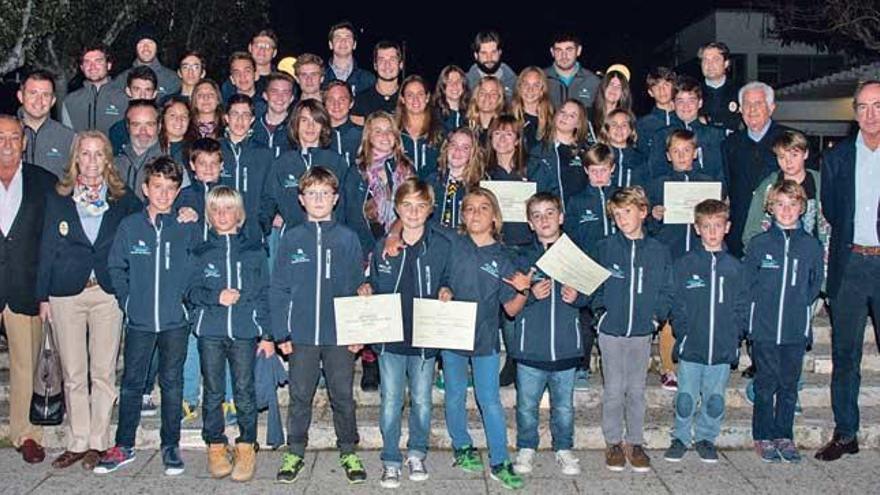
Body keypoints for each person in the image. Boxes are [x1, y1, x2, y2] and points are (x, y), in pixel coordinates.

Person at [35, 130, 141, 470]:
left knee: (103, 370)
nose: (92, 161)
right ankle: (77, 440)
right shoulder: (59, 196)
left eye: (99, 154)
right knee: (74, 372)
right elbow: (47, 247)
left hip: (106, 293)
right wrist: (42, 296)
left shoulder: (123, 199)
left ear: (108, 159)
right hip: (65, 292)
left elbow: (145, 224)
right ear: (75, 158)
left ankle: (99, 441)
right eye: (86, 153)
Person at [98, 157, 198, 475]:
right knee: (132, 383)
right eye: (158, 187)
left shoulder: (186, 227)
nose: (164, 194)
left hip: (175, 322)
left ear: (178, 192)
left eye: (171, 188)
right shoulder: (130, 226)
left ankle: (170, 446)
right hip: (140, 320)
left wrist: (188, 305)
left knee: (171, 383)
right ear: (145, 189)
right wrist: (128, 302)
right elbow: (116, 266)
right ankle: (123, 445)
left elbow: (198, 270)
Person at [269, 166, 367, 484]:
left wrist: (358, 333)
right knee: (300, 395)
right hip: (301, 336)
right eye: (312, 193)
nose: (319, 199)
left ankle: (349, 449)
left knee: (342, 395)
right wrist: (280, 333)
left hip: (339, 334)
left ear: (336, 199)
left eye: (325, 193)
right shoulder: (291, 239)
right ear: (301, 199)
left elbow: (358, 289)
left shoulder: (348, 239)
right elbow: (280, 288)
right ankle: (295, 449)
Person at [359, 178, 449, 488]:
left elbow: (448, 278)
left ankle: (417, 452)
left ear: (430, 209)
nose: (413, 212)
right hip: (390, 339)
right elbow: (374, 281)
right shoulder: (383, 245)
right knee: (390, 400)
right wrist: (367, 288)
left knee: (422, 399)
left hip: (425, 337)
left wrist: (447, 289)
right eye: (407, 206)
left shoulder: (440, 244)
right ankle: (390, 459)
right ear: (397, 208)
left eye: (420, 206)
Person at [439, 188, 530, 491]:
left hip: (485, 340)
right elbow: (441, 279)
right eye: (470, 208)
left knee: (489, 400)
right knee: (454, 394)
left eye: (483, 208)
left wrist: (522, 290)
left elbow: (512, 310)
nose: (476, 213)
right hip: (452, 335)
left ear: (495, 216)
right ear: (462, 215)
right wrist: (444, 290)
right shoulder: (453, 244)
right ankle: (461, 446)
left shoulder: (503, 257)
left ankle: (500, 460)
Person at [188, 186, 271, 482]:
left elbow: (264, 292)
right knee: (212, 391)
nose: (222, 215)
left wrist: (268, 335)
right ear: (209, 216)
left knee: (245, 391)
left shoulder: (254, 250)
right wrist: (215, 297)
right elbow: (190, 291)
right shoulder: (199, 251)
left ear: (239, 214)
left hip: (245, 331)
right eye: (216, 210)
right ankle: (215, 445)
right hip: (210, 330)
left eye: (228, 209)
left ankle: (247, 446)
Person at [815, 80, 880, 462]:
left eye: (878, 106)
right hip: (851, 264)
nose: (871, 114)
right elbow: (833, 211)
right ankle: (845, 432)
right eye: (864, 107)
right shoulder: (837, 159)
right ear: (854, 112)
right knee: (846, 354)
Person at [592, 186, 674, 473]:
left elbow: (666, 290)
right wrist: (600, 315)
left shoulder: (658, 251)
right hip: (611, 331)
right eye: (616, 214)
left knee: (637, 389)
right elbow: (595, 287)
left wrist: (654, 319)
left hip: (641, 330)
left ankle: (635, 442)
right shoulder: (605, 247)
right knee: (614, 388)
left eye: (627, 211)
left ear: (642, 211)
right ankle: (613, 441)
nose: (622, 218)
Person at [744, 180, 823, 463]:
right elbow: (748, 284)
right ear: (770, 208)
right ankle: (763, 435)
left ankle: (784, 435)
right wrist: (752, 321)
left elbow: (816, 284)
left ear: (802, 207)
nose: (786, 210)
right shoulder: (759, 244)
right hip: (764, 329)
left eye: (792, 205)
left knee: (789, 385)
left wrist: (799, 304)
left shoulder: (811, 245)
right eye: (780, 204)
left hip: (794, 329)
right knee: (765, 384)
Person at [663, 199, 748, 463]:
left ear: (727, 227)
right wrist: (683, 331)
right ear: (697, 229)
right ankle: (679, 436)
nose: (712, 231)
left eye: (718, 226)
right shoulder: (685, 265)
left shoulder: (735, 267)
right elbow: (675, 301)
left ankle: (706, 438)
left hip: (722, 348)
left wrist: (736, 334)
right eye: (706, 226)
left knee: (714, 399)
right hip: (692, 346)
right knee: (686, 397)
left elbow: (743, 304)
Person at [510, 192, 587, 477]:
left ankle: (564, 447)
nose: (544, 219)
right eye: (537, 215)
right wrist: (529, 294)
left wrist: (577, 297)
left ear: (561, 217)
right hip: (531, 347)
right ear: (530, 223)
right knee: (527, 405)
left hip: (566, 346)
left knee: (564, 407)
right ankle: (526, 446)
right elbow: (509, 298)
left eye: (550, 212)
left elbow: (592, 295)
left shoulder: (575, 253)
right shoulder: (521, 256)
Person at [0, 115, 57, 464]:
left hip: (25, 287)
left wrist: (45, 292)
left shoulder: (44, 183)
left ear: (24, 142)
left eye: (13, 137)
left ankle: (26, 435)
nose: (6, 144)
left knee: (25, 365)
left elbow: (52, 243)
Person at [723, 81, 795, 258]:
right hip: (738, 235)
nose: (752, 109)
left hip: (780, 229)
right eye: (747, 104)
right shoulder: (729, 144)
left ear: (771, 108)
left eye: (758, 103)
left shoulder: (790, 141)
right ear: (740, 109)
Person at [340, 111, 415, 257]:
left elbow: (415, 210)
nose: (385, 136)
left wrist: (395, 237)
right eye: (378, 131)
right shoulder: (357, 172)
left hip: (403, 245)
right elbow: (353, 216)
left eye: (389, 131)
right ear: (369, 137)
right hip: (367, 250)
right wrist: (371, 251)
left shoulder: (407, 169)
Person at [742, 129, 828, 251]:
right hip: (776, 255)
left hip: (813, 255)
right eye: (782, 157)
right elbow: (751, 231)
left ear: (806, 154)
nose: (788, 162)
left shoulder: (822, 183)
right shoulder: (768, 186)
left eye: (794, 155)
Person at [269, 99, 348, 229]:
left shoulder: (337, 162)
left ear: (323, 126)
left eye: (316, 121)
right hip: (293, 237)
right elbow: (269, 200)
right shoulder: (283, 163)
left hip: (330, 236)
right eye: (304, 120)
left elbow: (345, 205)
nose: (310, 127)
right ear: (296, 124)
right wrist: (271, 219)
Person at [647, 76, 726, 184]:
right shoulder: (662, 135)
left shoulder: (715, 135)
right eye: (680, 101)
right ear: (673, 104)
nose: (686, 106)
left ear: (700, 103)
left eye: (691, 100)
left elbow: (722, 172)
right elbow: (656, 172)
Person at [219, 94, 274, 244]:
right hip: (218, 231)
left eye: (245, 115)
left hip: (253, 234)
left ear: (252, 119)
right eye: (235, 114)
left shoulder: (264, 154)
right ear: (226, 118)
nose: (240, 120)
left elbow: (270, 193)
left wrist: (262, 224)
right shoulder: (215, 150)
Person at [527, 98, 589, 211]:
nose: (565, 117)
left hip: (577, 216)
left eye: (572, 115)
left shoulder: (585, 152)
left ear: (579, 124)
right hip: (546, 217)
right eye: (562, 112)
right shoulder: (537, 150)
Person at [16, 70, 75, 179]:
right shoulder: (6, 133)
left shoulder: (69, 138)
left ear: (52, 101)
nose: (39, 100)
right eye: (33, 93)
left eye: (46, 95)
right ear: (21, 96)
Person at [423, 127, 484, 231]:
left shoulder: (480, 186)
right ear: (446, 148)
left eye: (465, 148)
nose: (457, 151)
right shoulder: (431, 181)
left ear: (472, 153)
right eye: (453, 145)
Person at [61, 44, 128, 134]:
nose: (92, 66)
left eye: (98, 61)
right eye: (87, 62)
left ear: (108, 65)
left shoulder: (124, 99)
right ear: (82, 68)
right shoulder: (70, 101)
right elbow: (67, 138)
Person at [111, 25, 181, 100]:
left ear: (157, 47)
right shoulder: (121, 80)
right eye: (141, 43)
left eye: (150, 43)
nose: (146, 48)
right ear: (135, 48)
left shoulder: (171, 79)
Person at [114, 99, 166, 197]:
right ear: (128, 127)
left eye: (149, 124)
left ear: (159, 127)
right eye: (136, 124)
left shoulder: (172, 161)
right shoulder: (114, 164)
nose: (143, 131)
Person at [396, 75, 443, 177]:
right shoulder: (393, 132)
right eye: (410, 95)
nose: (415, 99)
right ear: (402, 99)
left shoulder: (441, 131)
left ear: (427, 97)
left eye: (420, 94)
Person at [109, 66, 159, 154]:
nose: (142, 95)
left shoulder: (165, 128)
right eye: (137, 89)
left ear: (154, 94)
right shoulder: (117, 130)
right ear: (128, 91)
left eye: (148, 90)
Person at [350, 41, 403, 125]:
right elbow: (356, 135)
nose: (387, 65)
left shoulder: (408, 100)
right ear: (375, 65)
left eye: (392, 59)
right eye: (381, 60)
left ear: (400, 65)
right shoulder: (360, 101)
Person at [544, 32, 601, 110]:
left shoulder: (593, 82)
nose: (564, 56)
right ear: (552, 52)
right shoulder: (541, 79)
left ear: (578, 51)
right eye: (559, 50)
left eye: (569, 50)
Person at [221, 30, 279, 103]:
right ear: (250, 47)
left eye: (267, 46)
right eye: (257, 45)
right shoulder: (230, 84)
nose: (261, 50)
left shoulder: (283, 82)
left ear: (274, 53)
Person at [323, 21, 376, 95]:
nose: (343, 41)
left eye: (348, 37)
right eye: (338, 37)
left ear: (354, 44)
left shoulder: (368, 79)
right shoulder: (320, 77)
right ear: (330, 44)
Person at [698, 42, 741, 134]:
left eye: (715, 59)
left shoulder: (740, 92)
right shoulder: (693, 92)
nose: (710, 65)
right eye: (705, 60)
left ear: (726, 63)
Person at [636, 67, 678, 156]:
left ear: (673, 88)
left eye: (666, 85)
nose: (662, 90)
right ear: (650, 92)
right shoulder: (642, 124)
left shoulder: (684, 118)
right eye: (656, 86)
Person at [510, 67, 554, 152]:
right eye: (526, 84)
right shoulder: (508, 117)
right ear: (519, 87)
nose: (530, 89)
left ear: (542, 90)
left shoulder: (552, 119)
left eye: (536, 85)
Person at [601, 109, 647, 188]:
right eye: (614, 124)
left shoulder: (641, 159)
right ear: (607, 129)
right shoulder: (599, 156)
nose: (619, 129)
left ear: (631, 130)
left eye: (624, 125)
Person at [253, 72, 296, 157]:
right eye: (274, 92)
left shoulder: (297, 129)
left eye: (285, 92)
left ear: (291, 98)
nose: (280, 97)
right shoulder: (252, 126)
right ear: (265, 96)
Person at [465, 31, 517, 100]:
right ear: (476, 55)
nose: (489, 58)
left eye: (493, 52)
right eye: (484, 53)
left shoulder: (515, 83)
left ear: (499, 53)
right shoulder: (464, 85)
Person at [324, 80, 363, 166]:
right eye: (331, 100)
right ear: (324, 104)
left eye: (342, 100)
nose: (336, 105)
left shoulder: (363, 135)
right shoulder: (317, 136)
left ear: (351, 103)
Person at [591, 70, 632, 144]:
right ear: (603, 87)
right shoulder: (588, 115)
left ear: (623, 93)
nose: (614, 89)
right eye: (611, 84)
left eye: (619, 86)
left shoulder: (629, 119)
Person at [222, 52, 267, 118]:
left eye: (247, 71)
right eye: (237, 73)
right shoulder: (225, 105)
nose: (242, 76)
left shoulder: (267, 104)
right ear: (232, 79)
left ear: (256, 75)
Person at [467, 76, 506, 144]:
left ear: (499, 99)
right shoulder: (466, 127)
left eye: (493, 94)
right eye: (482, 93)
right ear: (476, 97)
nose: (487, 97)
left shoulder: (506, 129)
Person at [431, 65, 470, 134]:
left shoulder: (471, 115)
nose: (454, 85)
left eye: (458, 81)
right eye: (449, 81)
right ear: (443, 86)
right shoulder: (433, 116)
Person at [158, 95, 192, 167]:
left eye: (184, 116)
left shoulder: (196, 149)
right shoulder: (152, 147)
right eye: (172, 115)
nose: (179, 120)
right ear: (162, 118)